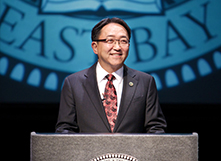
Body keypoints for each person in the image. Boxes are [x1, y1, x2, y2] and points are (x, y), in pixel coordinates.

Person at [55, 17, 167, 133]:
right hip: (89, 151)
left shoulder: (145, 82)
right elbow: (65, 129)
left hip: (131, 151)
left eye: (123, 41)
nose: (117, 47)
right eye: (110, 41)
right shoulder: (74, 83)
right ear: (95, 47)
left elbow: (155, 128)